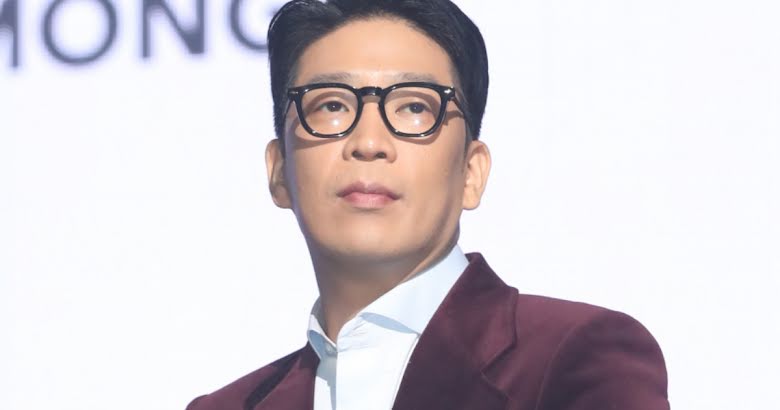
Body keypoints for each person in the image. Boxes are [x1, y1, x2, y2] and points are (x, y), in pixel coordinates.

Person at [187, 0, 670, 409]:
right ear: (278, 172)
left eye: (414, 107)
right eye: (331, 105)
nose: (369, 142)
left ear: (471, 173)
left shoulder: (574, 356)